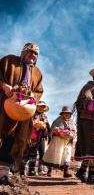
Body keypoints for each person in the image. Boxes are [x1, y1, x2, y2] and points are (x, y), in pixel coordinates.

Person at [0, 42, 43, 186]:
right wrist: (4, 86)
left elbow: (38, 92)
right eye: (30, 52)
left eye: (36, 54)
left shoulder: (37, 73)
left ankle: (3, 175)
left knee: (12, 141)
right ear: (23, 52)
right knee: (2, 136)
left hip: (22, 113)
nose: (33, 55)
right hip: (3, 108)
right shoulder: (9, 61)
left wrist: (31, 96)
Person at [43, 106, 76, 178]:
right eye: (65, 113)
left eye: (68, 113)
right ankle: (50, 171)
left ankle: (66, 172)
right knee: (55, 154)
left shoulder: (71, 121)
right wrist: (56, 130)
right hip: (58, 140)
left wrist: (72, 133)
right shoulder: (58, 120)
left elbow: (74, 130)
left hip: (68, 141)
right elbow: (53, 127)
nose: (67, 114)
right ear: (62, 114)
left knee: (67, 155)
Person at [20, 100, 50, 176]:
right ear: (36, 107)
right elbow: (27, 123)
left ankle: (34, 170)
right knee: (27, 153)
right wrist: (33, 125)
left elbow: (47, 126)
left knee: (40, 153)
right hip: (30, 136)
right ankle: (22, 170)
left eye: (42, 107)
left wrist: (44, 128)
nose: (41, 108)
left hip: (40, 137)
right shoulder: (31, 114)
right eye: (39, 106)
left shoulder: (44, 116)